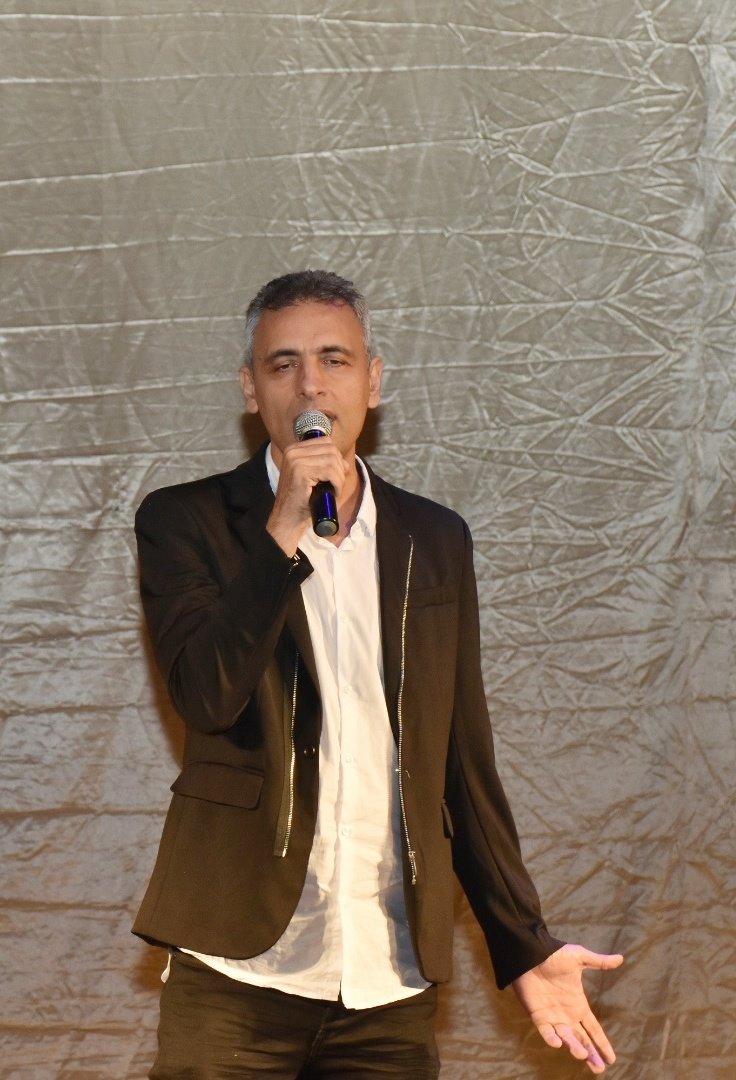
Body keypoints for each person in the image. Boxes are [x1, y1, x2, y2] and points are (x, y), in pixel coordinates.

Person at [133, 270, 623, 1078]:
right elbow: (206, 694)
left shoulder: (434, 538)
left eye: (335, 359)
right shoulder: (184, 521)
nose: (311, 384)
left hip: (387, 979)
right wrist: (281, 531)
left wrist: (523, 945)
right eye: (284, 364)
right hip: (237, 974)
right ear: (250, 389)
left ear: (374, 381)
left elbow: (461, 759)